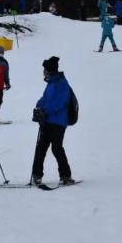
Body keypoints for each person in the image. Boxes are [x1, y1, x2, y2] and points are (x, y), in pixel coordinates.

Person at [31, 56, 75, 186]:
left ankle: (65, 176)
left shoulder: (62, 83)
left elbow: (60, 103)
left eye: (45, 69)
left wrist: (44, 110)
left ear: (50, 70)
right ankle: (37, 175)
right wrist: (38, 106)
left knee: (56, 148)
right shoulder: (51, 83)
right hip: (47, 121)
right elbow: (45, 98)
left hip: (58, 122)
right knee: (41, 148)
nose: (43, 72)